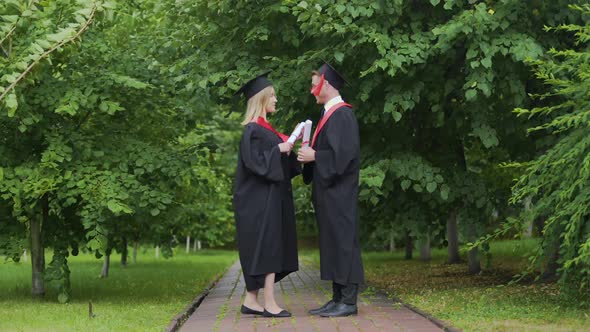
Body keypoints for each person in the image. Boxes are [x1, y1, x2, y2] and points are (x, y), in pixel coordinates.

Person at [297, 63, 364, 317]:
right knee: (334, 243)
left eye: (314, 84)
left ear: (325, 84)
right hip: (330, 194)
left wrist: (315, 156)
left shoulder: (342, 115)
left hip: (340, 194)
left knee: (344, 243)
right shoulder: (329, 115)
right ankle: (337, 298)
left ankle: (348, 301)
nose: (312, 89)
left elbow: (344, 158)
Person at [233, 72, 300, 318]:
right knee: (268, 247)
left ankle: (251, 300)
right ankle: (269, 303)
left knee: (268, 246)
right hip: (258, 202)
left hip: (268, 198)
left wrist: (288, 148)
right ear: (260, 99)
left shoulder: (266, 130)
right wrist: (278, 149)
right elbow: (255, 163)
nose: (276, 100)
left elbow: (275, 161)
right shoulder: (252, 130)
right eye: (271, 95)